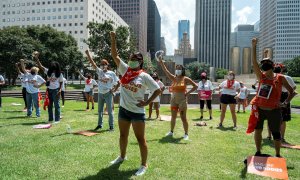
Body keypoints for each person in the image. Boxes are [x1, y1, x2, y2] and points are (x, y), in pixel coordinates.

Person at [109, 31, 161, 176]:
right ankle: (122, 156)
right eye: (131, 58)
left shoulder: (144, 76)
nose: (132, 60)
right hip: (124, 110)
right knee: (123, 136)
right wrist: (113, 39)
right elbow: (115, 56)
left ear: (140, 61)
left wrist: (147, 102)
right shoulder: (125, 70)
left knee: (140, 139)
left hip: (137, 112)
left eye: (135, 58)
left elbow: (158, 90)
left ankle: (144, 164)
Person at [250, 38, 295, 158]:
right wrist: (254, 46)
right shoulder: (261, 77)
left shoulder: (280, 78)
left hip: (275, 110)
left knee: (276, 132)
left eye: (266, 61)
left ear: (272, 64)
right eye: (263, 62)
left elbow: (292, 91)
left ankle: (278, 154)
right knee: (258, 130)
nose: (264, 63)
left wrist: (285, 102)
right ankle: (258, 151)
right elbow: (254, 62)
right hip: (260, 109)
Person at [158, 56, 198, 140]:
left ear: (182, 70)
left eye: (179, 68)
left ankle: (186, 134)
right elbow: (166, 71)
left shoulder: (185, 78)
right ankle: (171, 132)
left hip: (182, 100)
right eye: (176, 68)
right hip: (173, 99)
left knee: (183, 117)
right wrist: (161, 62)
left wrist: (188, 93)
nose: (177, 70)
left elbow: (195, 86)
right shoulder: (174, 78)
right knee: (173, 116)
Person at [85, 51, 119, 131]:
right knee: (100, 111)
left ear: (107, 65)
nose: (103, 65)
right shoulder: (99, 71)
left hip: (108, 94)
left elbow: (118, 83)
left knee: (110, 111)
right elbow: (93, 63)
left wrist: (114, 90)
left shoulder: (111, 73)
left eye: (104, 64)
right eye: (102, 64)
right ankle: (100, 125)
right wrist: (88, 54)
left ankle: (111, 126)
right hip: (100, 94)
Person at [34, 52, 64, 124]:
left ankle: (57, 120)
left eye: (55, 69)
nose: (53, 70)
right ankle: (50, 119)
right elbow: (40, 66)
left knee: (56, 105)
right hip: (49, 90)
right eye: (52, 69)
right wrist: (36, 58)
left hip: (56, 90)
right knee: (49, 105)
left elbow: (61, 82)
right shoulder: (47, 71)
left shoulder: (60, 74)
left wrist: (60, 90)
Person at [273, 64, 297, 143]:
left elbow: (294, 89)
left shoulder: (286, 77)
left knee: (277, 118)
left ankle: (275, 136)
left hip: (281, 96)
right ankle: (280, 137)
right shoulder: (287, 77)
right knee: (282, 119)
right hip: (283, 96)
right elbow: (294, 88)